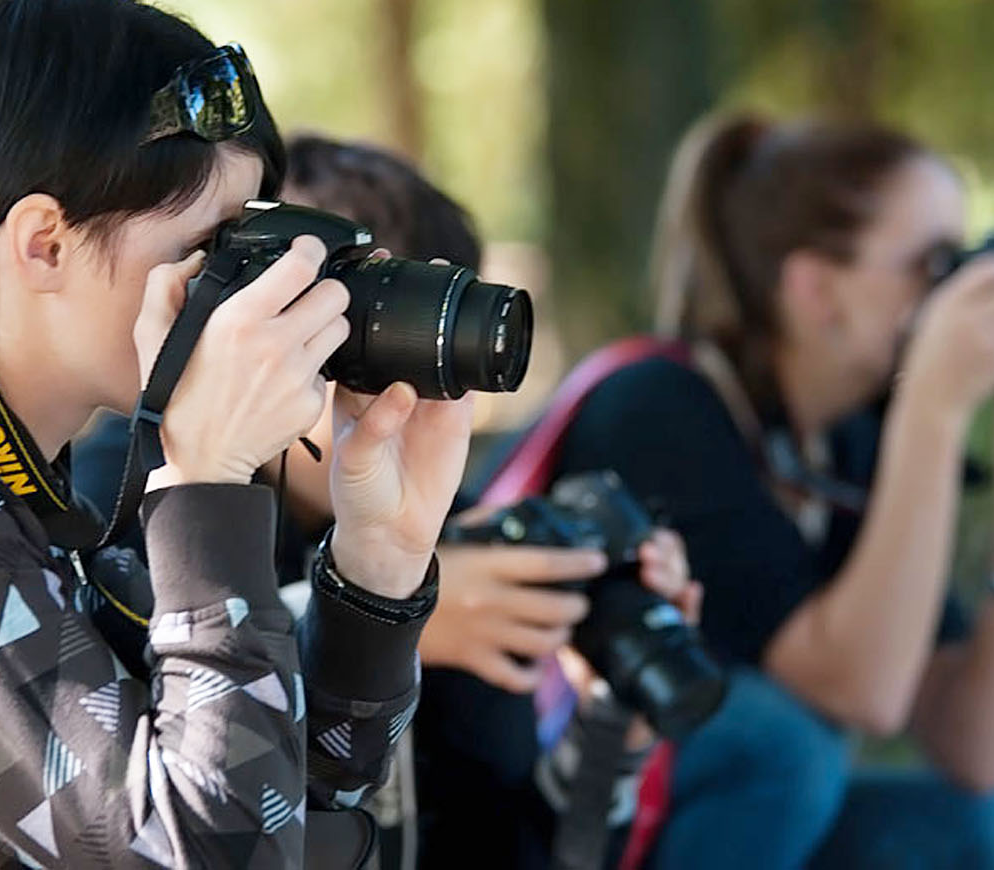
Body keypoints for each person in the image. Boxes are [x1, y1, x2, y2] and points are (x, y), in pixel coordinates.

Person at [0, 1, 472, 866]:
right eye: (212, 250)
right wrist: (207, 486)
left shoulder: (15, 474)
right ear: (44, 244)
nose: (245, 299)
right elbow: (204, 850)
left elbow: (285, 806)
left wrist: (379, 561)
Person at [74, 132, 699, 870]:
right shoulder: (124, 485)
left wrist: (608, 733)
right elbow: (135, 787)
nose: (401, 392)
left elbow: (526, 855)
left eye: (435, 353)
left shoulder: (453, 542)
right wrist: (367, 623)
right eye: (366, 337)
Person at [550, 114, 994, 868]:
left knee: (977, 835)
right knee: (784, 746)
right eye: (935, 263)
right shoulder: (659, 407)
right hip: (556, 806)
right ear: (816, 288)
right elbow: (861, 691)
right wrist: (932, 409)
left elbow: (971, 746)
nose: (960, 294)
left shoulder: (843, 440)